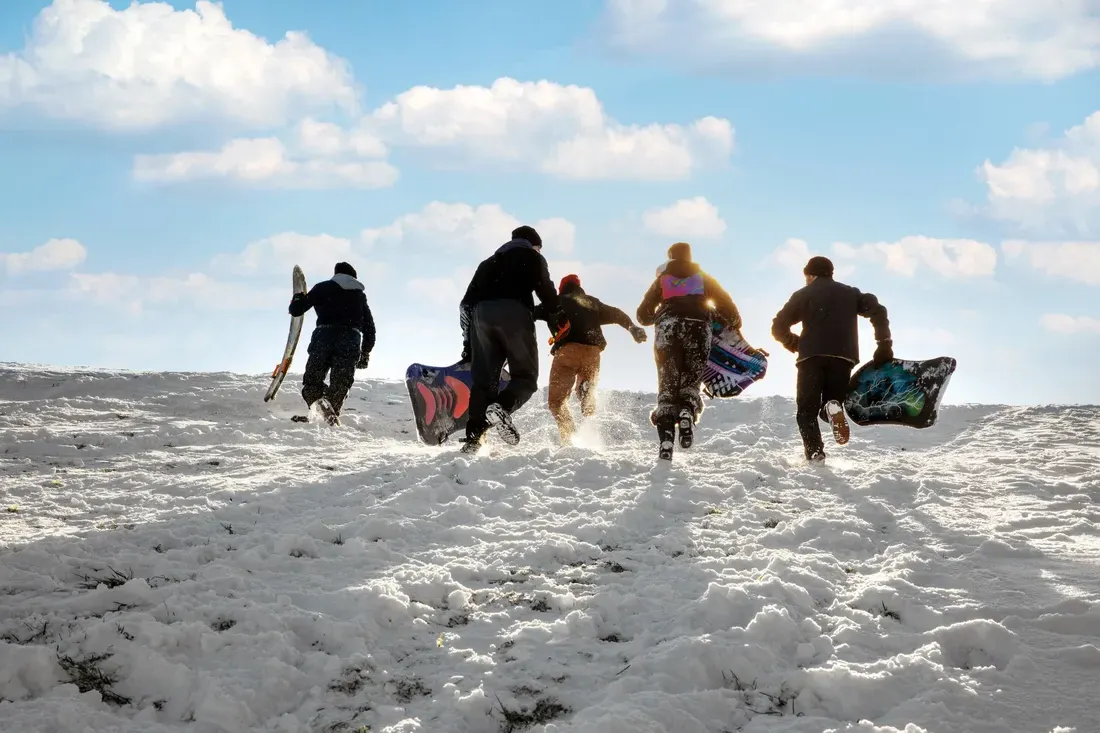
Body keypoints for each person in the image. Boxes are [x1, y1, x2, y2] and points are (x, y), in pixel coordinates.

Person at [771, 255, 893, 462]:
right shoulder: (850, 293)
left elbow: (778, 327)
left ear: (809, 275)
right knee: (831, 402)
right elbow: (878, 311)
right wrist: (884, 344)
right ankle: (830, 409)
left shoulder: (804, 294)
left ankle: (815, 452)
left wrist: (796, 344)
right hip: (843, 356)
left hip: (811, 357)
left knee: (806, 411)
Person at [458, 225, 568, 453]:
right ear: (534, 244)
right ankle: (502, 406)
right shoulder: (533, 257)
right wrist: (557, 317)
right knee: (526, 378)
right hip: (515, 314)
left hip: (481, 317)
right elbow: (547, 292)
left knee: (484, 381)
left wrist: (469, 345)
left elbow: (465, 306)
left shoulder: (488, 263)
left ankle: (473, 440)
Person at [636, 242, 741, 459]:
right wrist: (730, 322)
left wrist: (660, 315)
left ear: (671, 258)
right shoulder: (704, 278)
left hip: (668, 329)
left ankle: (666, 441)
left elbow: (642, 314)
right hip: (698, 328)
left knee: (667, 385)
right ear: (690, 256)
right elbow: (728, 308)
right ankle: (686, 411)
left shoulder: (662, 280)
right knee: (691, 381)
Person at [533, 273, 648, 444]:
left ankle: (569, 439)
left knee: (556, 402)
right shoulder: (592, 302)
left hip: (567, 351)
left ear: (561, 288)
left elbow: (529, 314)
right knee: (587, 402)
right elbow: (616, 314)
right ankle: (584, 389)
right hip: (593, 352)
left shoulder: (556, 302)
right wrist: (632, 328)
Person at [289, 261, 375, 425]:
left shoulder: (323, 288)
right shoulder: (359, 296)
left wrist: (298, 297)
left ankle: (320, 411)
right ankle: (327, 414)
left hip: (324, 337)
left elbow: (296, 310)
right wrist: (365, 353)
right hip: (350, 340)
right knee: (341, 384)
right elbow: (370, 329)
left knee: (312, 382)